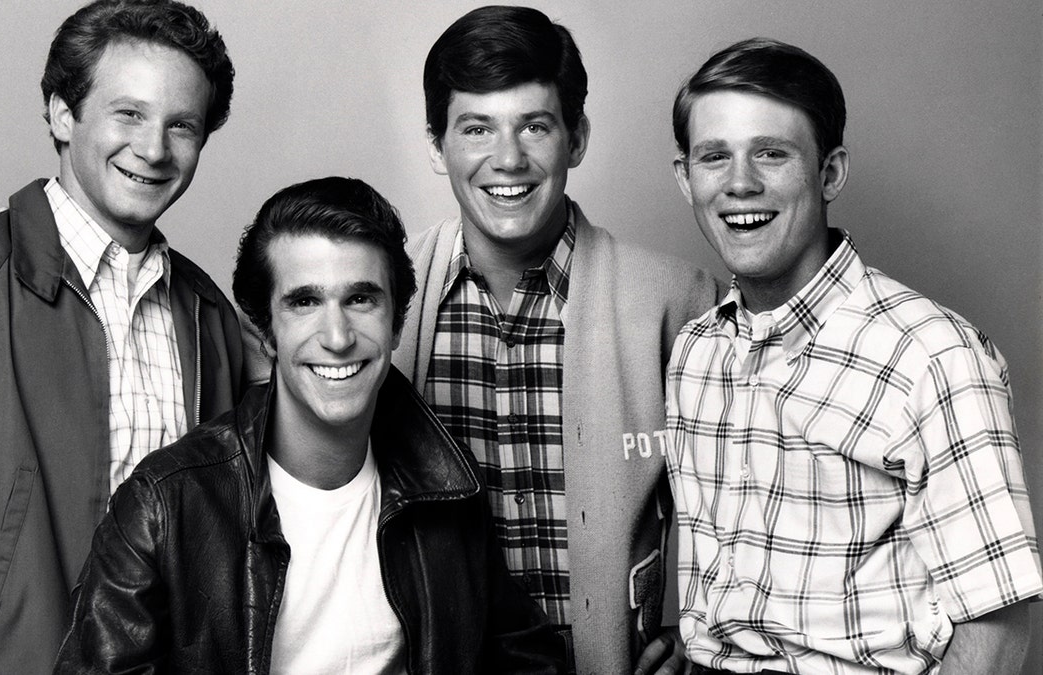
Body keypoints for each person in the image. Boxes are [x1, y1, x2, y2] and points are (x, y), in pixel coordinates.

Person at [0, 2, 249, 673]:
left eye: (181, 125)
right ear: (63, 114)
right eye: (129, 114)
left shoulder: (207, 311)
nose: (154, 149)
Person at [53, 176, 565, 673]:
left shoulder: (447, 484)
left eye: (360, 299)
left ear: (396, 323)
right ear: (267, 332)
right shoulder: (163, 505)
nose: (337, 336)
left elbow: (528, 659)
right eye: (305, 302)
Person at [665, 37, 1042, 674]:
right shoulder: (696, 356)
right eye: (714, 157)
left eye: (772, 153)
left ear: (830, 172)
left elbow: (997, 628)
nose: (739, 183)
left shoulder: (931, 355)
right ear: (686, 178)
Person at [392, 6, 719, 673]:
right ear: (435, 145)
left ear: (575, 138)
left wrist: (704, 633)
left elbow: (751, 503)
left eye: (534, 126)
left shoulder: (677, 300)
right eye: (476, 128)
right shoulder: (385, 295)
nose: (507, 159)